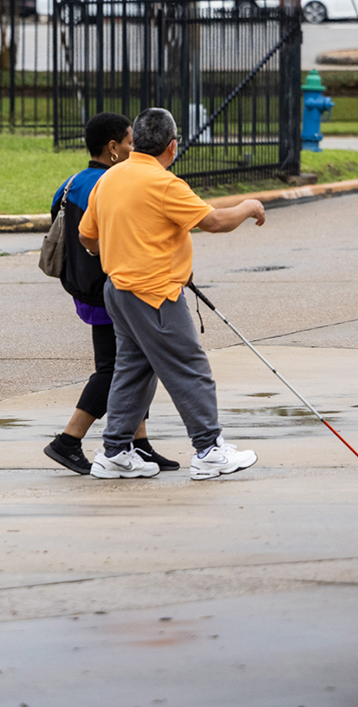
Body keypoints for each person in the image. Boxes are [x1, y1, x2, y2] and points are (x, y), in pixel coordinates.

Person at [77, 107, 267, 481]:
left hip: (119, 291)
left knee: (133, 370)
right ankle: (209, 449)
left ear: (136, 143)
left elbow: (87, 236)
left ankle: (114, 452)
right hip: (155, 295)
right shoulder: (164, 184)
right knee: (189, 368)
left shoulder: (110, 179)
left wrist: (123, 246)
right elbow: (214, 221)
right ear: (173, 146)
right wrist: (248, 206)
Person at [42, 112, 178, 476]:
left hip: (84, 290)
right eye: (131, 141)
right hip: (114, 289)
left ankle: (139, 443)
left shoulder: (72, 183)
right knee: (117, 368)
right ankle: (68, 439)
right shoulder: (111, 184)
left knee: (134, 362)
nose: (136, 148)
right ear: (114, 147)